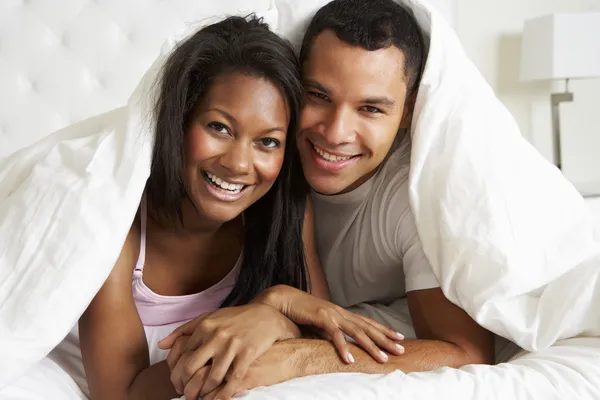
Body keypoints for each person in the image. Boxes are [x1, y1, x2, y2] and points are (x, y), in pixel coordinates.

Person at [161, 1, 496, 399]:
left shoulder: (415, 196)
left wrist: (299, 358)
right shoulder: (253, 164)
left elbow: (465, 352)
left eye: (370, 108)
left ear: (407, 112)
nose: (336, 133)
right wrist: (278, 311)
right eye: (318, 95)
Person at [74, 14, 402, 400]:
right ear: (179, 121)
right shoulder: (117, 224)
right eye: (220, 128)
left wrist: (272, 310)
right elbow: (120, 395)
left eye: (268, 142)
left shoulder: (285, 208)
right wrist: (269, 313)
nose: (238, 164)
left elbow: (318, 330)